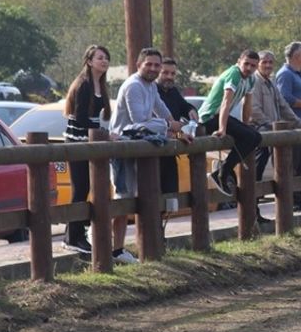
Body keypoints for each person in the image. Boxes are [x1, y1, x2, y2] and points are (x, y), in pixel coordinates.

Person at [109, 48, 193, 263]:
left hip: (142, 148)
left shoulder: (151, 86)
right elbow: (138, 121)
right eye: (149, 64)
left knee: (143, 198)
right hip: (124, 148)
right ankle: (111, 248)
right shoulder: (134, 86)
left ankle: (131, 248)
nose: (153, 69)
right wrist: (168, 125)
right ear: (139, 65)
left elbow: (163, 110)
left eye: (157, 65)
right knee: (123, 198)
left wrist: (178, 130)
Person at [61, 45, 111, 255]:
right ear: (89, 61)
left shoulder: (101, 84)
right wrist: (102, 131)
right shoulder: (83, 85)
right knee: (80, 188)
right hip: (77, 141)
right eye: (100, 58)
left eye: (107, 58)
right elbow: (80, 118)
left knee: (87, 187)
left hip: (89, 141)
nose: (104, 61)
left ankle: (71, 235)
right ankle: (75, 237)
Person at [199, 50, 263, 197]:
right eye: (246, 64)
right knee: (250, 137)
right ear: (238, 61)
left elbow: (247, 104)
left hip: (222, 117)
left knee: (256, 137)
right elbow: (225, 103)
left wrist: (245, 125)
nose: (249, 68)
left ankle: (224, 169)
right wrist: (222, 128)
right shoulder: (233, 74)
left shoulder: (251, 79)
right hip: (210, 118)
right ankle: (223, 172)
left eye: (253, 65)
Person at [249, 50, 301, 185]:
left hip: (273, 129)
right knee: (259, 163)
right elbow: (254, 111)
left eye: (270, 62)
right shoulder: (254, 81)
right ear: (258, 64)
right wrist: (272, 125)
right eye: (264, 62)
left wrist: (299, 123)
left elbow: (284, 106)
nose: (268, 65)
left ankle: (291, 197)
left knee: (291, 154)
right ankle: (253, 199)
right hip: (259, 128)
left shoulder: (271, 83)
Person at [157, 57, 198, 200]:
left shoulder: (173, 91)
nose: (169, 77)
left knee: (170, 196)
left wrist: (191, 110)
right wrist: (180, 133)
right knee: (154, 197)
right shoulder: (152, 91)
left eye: (173, 74)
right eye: (165, 73)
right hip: (154, 149)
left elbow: (184, 106)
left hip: (170, 149)